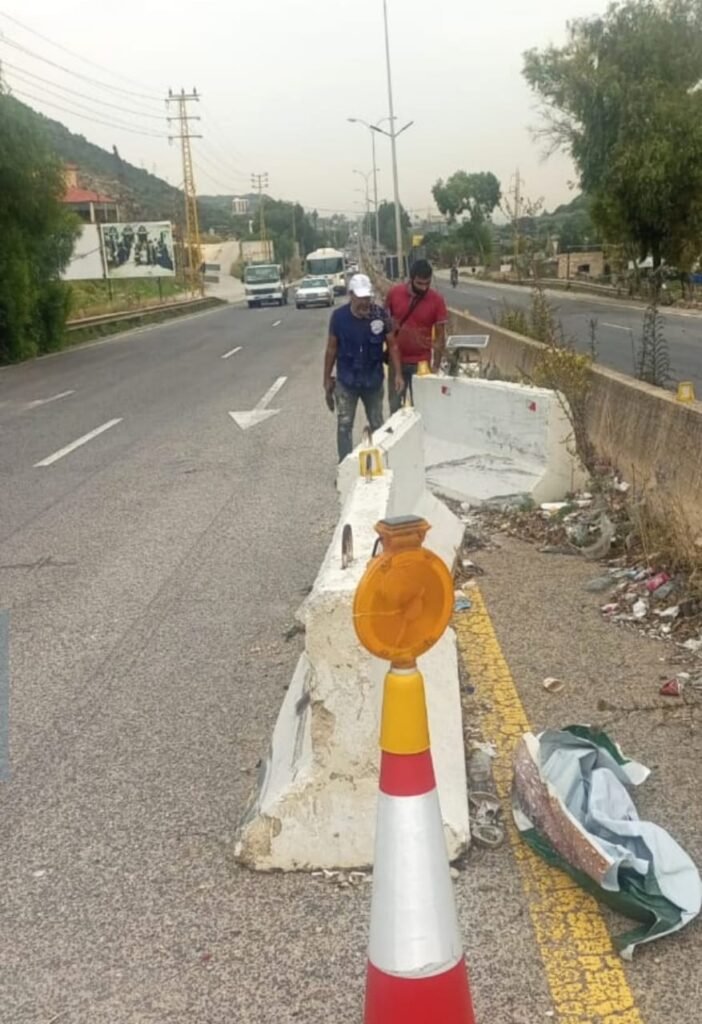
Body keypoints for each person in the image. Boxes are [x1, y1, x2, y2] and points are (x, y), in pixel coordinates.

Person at [323, 273, 403, 462]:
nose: (364, 303)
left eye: (367, 297)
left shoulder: (380, 315)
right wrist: (326, 378)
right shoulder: (339, 317)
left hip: (372, 381)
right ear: (351, 295)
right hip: (347, 381)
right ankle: (345, 466)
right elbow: (331, 349)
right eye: (360, 298)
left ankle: (379, 463)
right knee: (344, 425)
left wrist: (398, 374)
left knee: (377, 423)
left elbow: (392, 346)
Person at [385, 259, 448, 413]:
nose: (424, 287)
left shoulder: (437, 301)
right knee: (395, 408)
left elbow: (440, 336)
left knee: (422, 409)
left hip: (422, 363)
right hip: (397, 361)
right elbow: (387, 326)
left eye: (427, 283)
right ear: (411, 278)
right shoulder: (394, 294)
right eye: (420, 283)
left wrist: (435, 366)